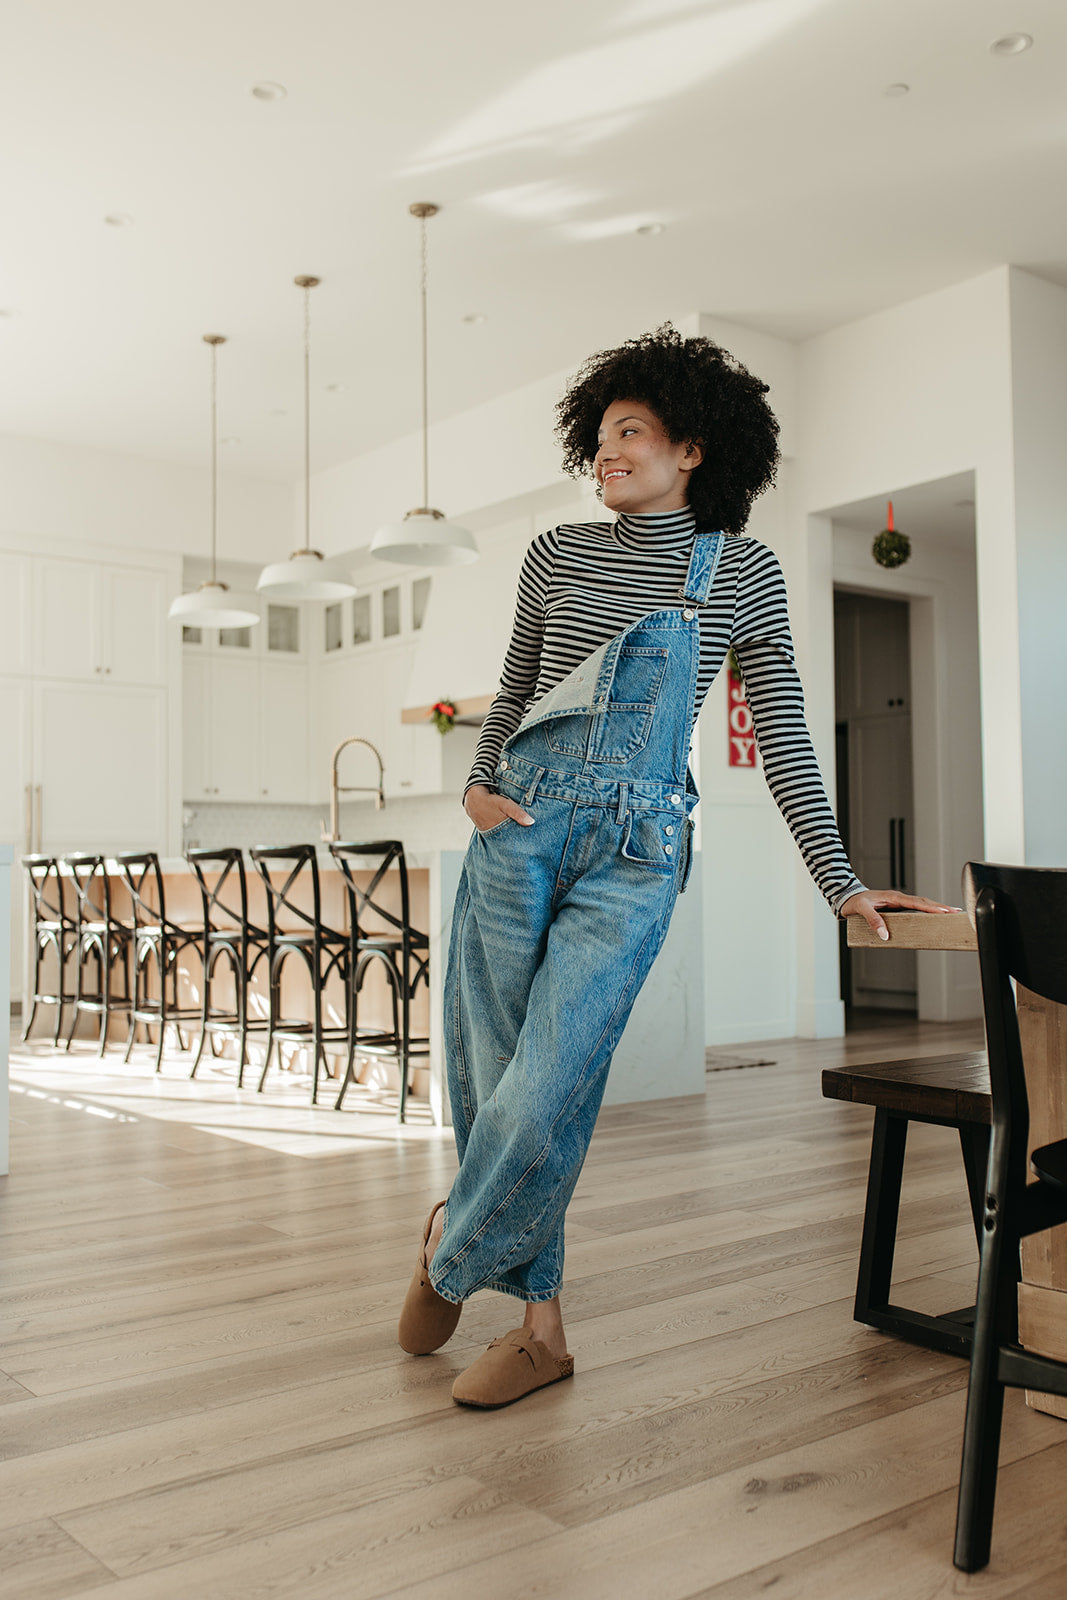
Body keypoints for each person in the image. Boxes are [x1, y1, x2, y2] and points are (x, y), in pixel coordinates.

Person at [397, 325, 955, 1409]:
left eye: (630, 432)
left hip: (639, 849)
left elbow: (785, 732)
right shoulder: (554, 555)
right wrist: (473, 785)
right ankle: (542, 1330)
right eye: (598, 436)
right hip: (517, 827)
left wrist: (838, 879)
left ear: (692, 447)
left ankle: (445, 1243)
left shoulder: (739, 570)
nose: (605, 452)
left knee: (554, 1075)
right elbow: (508, 697)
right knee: (496, 1072)